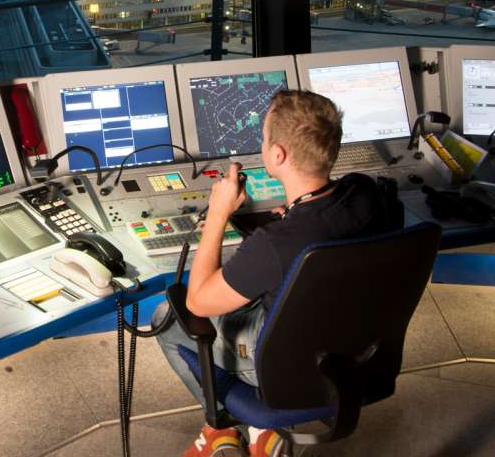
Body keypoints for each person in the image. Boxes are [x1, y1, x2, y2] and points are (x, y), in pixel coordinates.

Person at [154, 89, 404, 457]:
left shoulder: (275, 244)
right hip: (358, 349)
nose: (263, 142)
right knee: (250, 296)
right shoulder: (365, 193)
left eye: (265, 136)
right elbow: (320, 216)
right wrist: (292, 210)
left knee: (167, 318)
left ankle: (225, 428)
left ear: (277, 155)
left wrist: (219, 212)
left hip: (283, 367)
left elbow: (198, 302)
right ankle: (262, 436)